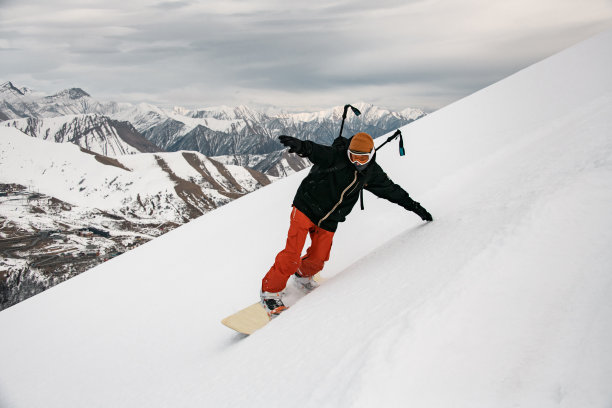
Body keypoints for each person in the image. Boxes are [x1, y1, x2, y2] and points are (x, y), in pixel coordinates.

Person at [260, 132, 433, 317]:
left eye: (362, 158)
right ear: (348, 152)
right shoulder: (336, 156)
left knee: (319, 258)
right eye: (354, 157)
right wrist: (302, 146)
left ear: (371, 155)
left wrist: (416, 208)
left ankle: (302, 278)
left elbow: (392, 191)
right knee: (292, 254)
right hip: (306, 207)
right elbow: (317, 151)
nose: (358, 162)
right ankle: (269, 293)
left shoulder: (371, 172)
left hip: (329, 219)